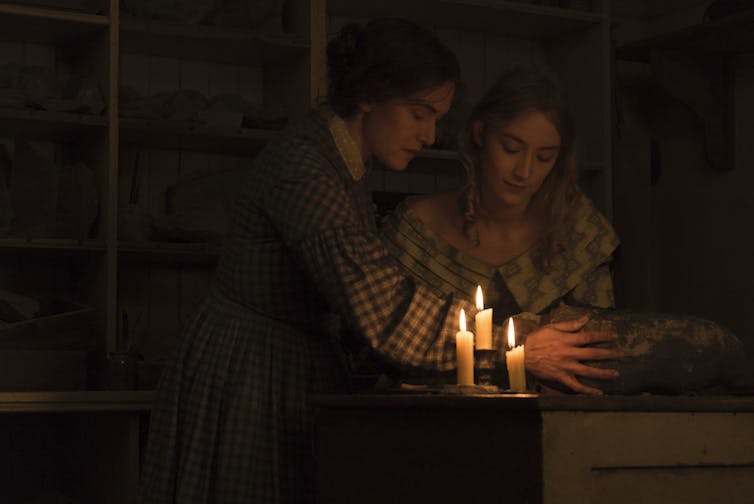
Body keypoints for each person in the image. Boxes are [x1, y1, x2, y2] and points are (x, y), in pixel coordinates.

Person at [139, 21, 619, 503]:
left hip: (284, 368)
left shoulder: (343, 165)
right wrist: (517, 346)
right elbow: (384, 310)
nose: (430, 136)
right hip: (249, 376)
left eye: (437, 118)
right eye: (419, 114)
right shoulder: (306, 172)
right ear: (369, 96)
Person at [380, 63, 623, 395]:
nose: (524, 171)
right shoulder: (416, 230)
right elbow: (387, 344)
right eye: (511, 148)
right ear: (481, 134)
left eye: (544, 157)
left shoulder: (577, 233)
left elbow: (596, 349)